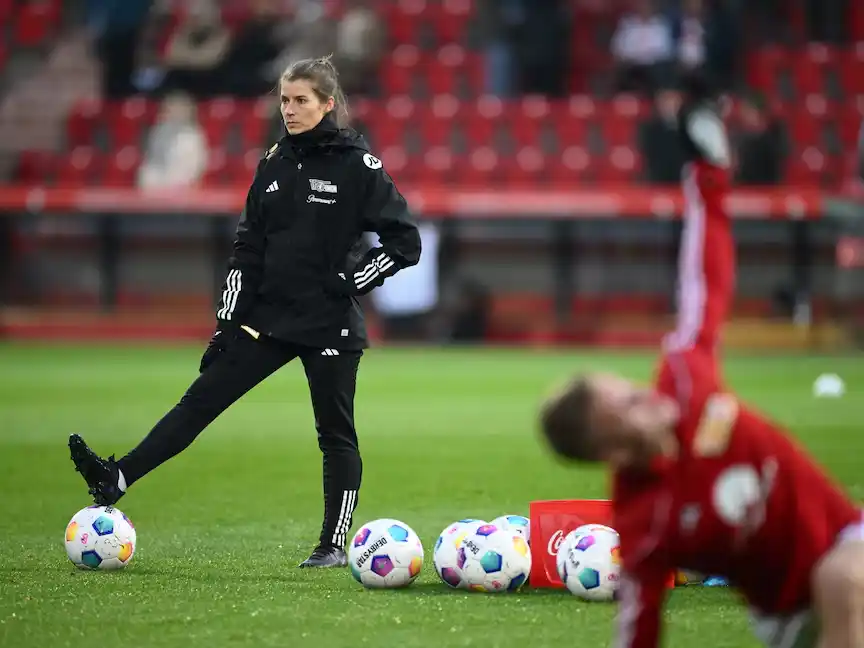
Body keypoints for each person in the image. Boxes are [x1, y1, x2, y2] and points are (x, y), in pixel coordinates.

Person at [538, 74, 864, 648]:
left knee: (844, 576)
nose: (652, 396)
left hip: (846, 543)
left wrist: (710, 179)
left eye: (633, 387)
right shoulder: (645, 520)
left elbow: (705, 283)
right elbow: (638, 625)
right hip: (788, 615)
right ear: (614, 451)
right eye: (633, 406)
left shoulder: (686, 377)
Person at [69, 55, 422, 569]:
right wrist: (226, 324)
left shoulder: (357, 166)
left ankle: (331, 545)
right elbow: (247, 249)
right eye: (284, 99)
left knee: (335, 435)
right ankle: (114, 479)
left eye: (302, 100)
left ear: (328, 104)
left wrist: (352, 281)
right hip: (270, 318)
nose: (290, 109)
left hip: (329, 323)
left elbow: (404, 241)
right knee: (200, 402)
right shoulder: (275, 160)